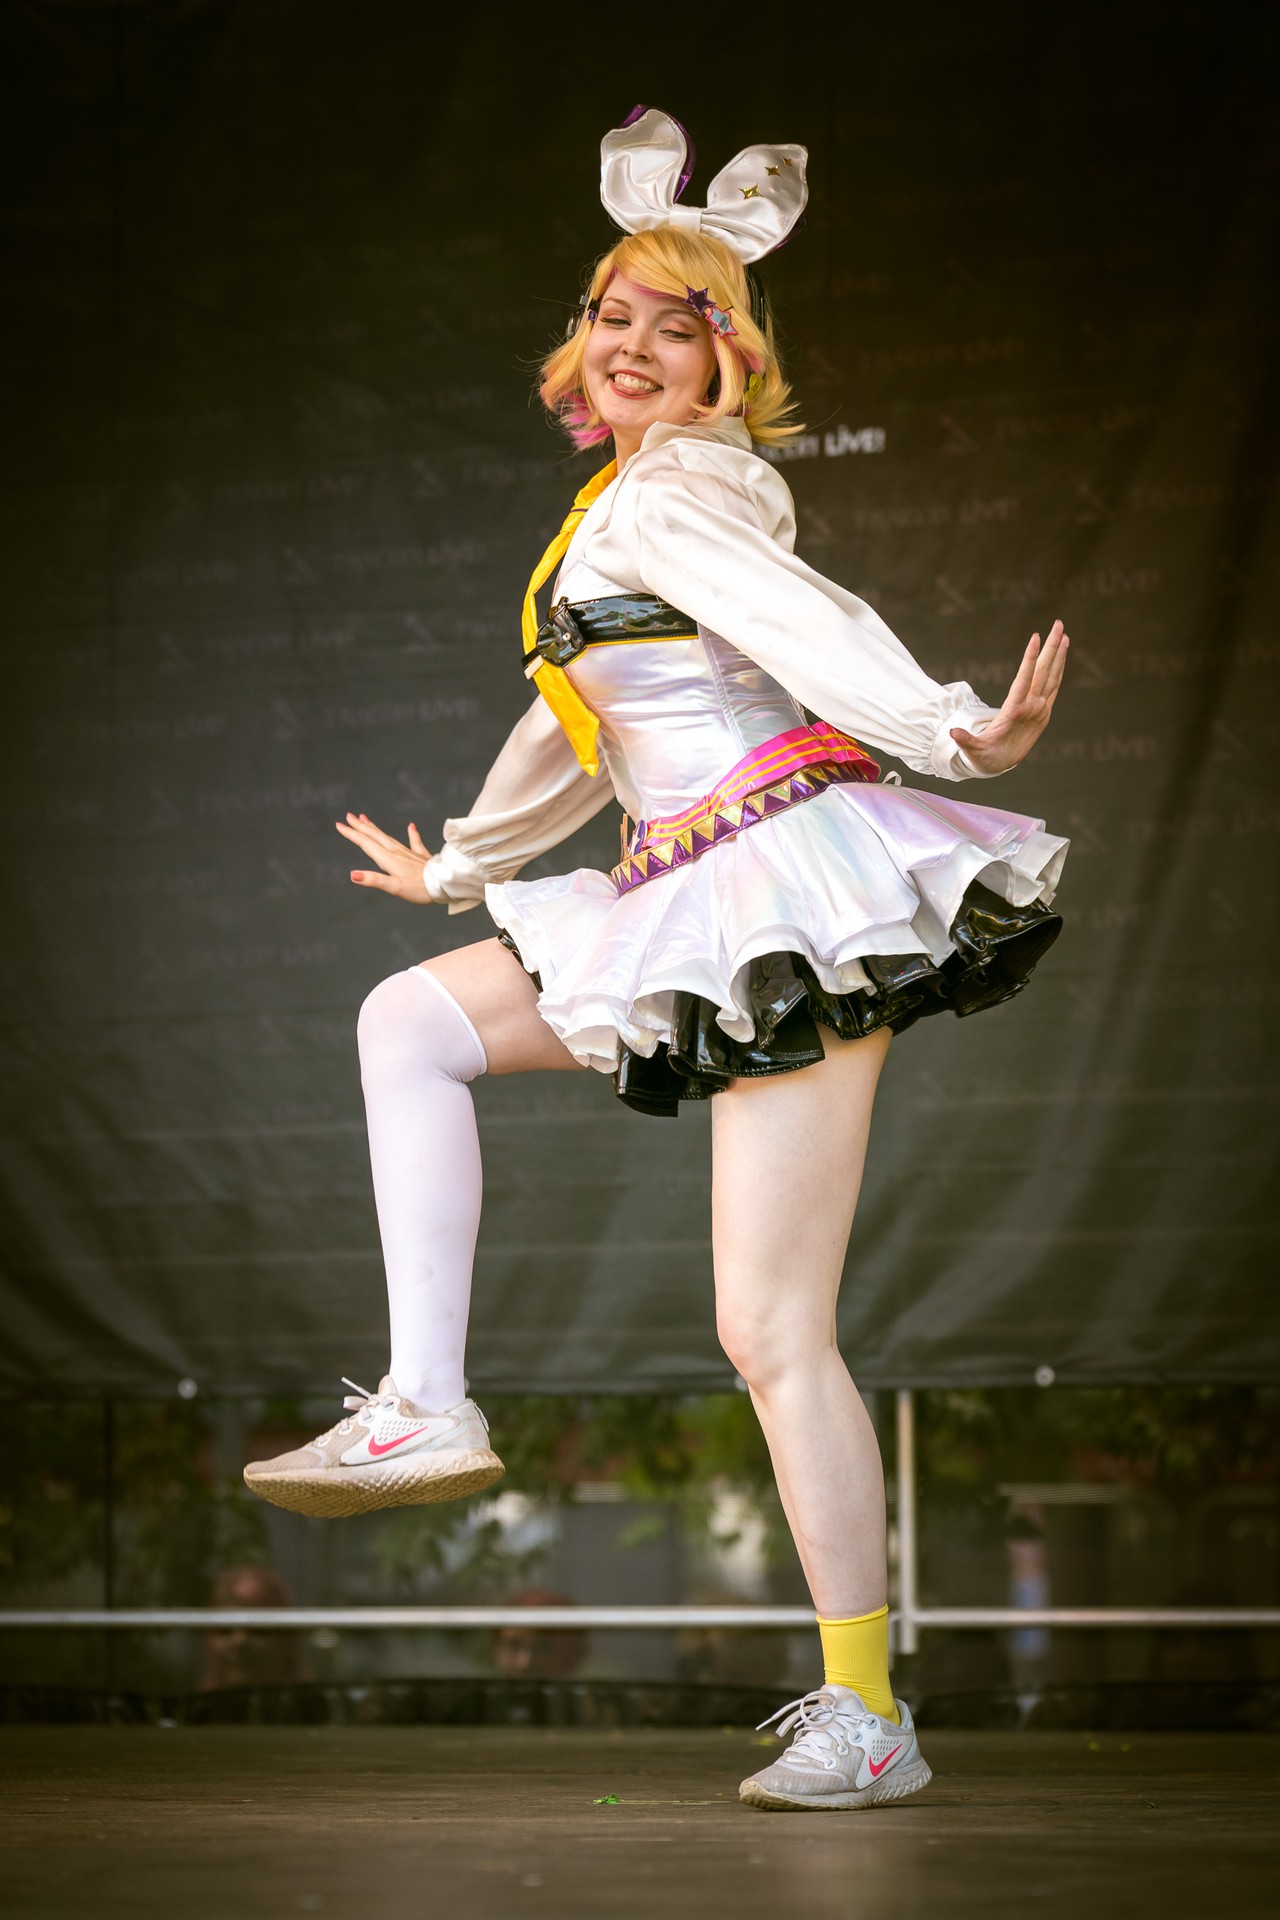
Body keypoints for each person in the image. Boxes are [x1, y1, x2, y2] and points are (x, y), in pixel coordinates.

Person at [244, 107, 1070, 1811]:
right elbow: (583, 732)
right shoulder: (616, 511)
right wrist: (461, 866)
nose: (633, 345)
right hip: (682, 885)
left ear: (726, 363)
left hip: (777, 895)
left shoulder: (682, 492)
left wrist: (947, 729)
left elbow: (797, 624)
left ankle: (868, 1715)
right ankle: (425, 1401)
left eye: (676, 326)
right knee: (411, 1021)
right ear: (580, 341)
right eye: (613, 313)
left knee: (769, 1329)